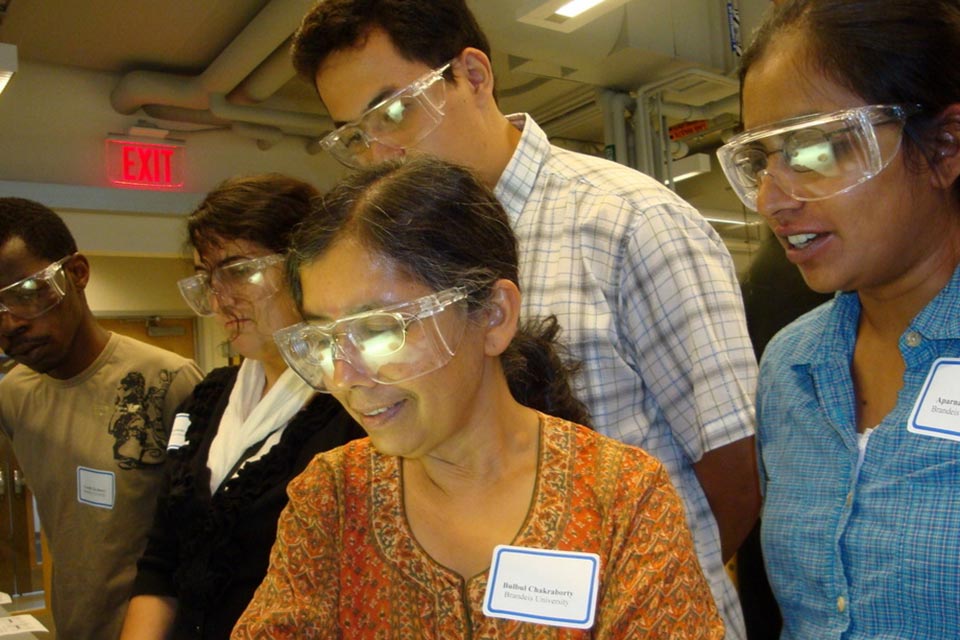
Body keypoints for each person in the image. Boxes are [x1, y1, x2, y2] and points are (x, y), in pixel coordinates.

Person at [289, 3, 760, 636]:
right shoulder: (382, 259)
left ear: (474, 75)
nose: (380, 151)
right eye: (354, 136)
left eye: (395, 110)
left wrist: (637, 570)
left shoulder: (629, 221)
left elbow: (736, 462)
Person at [231, 157, 724, 638]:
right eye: (324, 340)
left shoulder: (619, 494)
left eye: (380, 331)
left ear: (492, 315)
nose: (345, 376)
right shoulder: (333, 497)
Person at [716, 1, 960, 637]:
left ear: (944, 145)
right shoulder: (791, 366)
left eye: (816, 150)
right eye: (762, 159)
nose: (773, 200)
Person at [119, 174, 364, 639]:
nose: (218, 298)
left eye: (237, 270)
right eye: (207, 278)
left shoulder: (353, 404)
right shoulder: (209, 398)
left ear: (304, 266)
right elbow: (161, 560)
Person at [0, 197, 203, 640]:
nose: (10, 323)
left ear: (76, 274)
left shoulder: (170, 381)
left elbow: (204, 536)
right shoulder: (13, 395)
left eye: (26, 294)